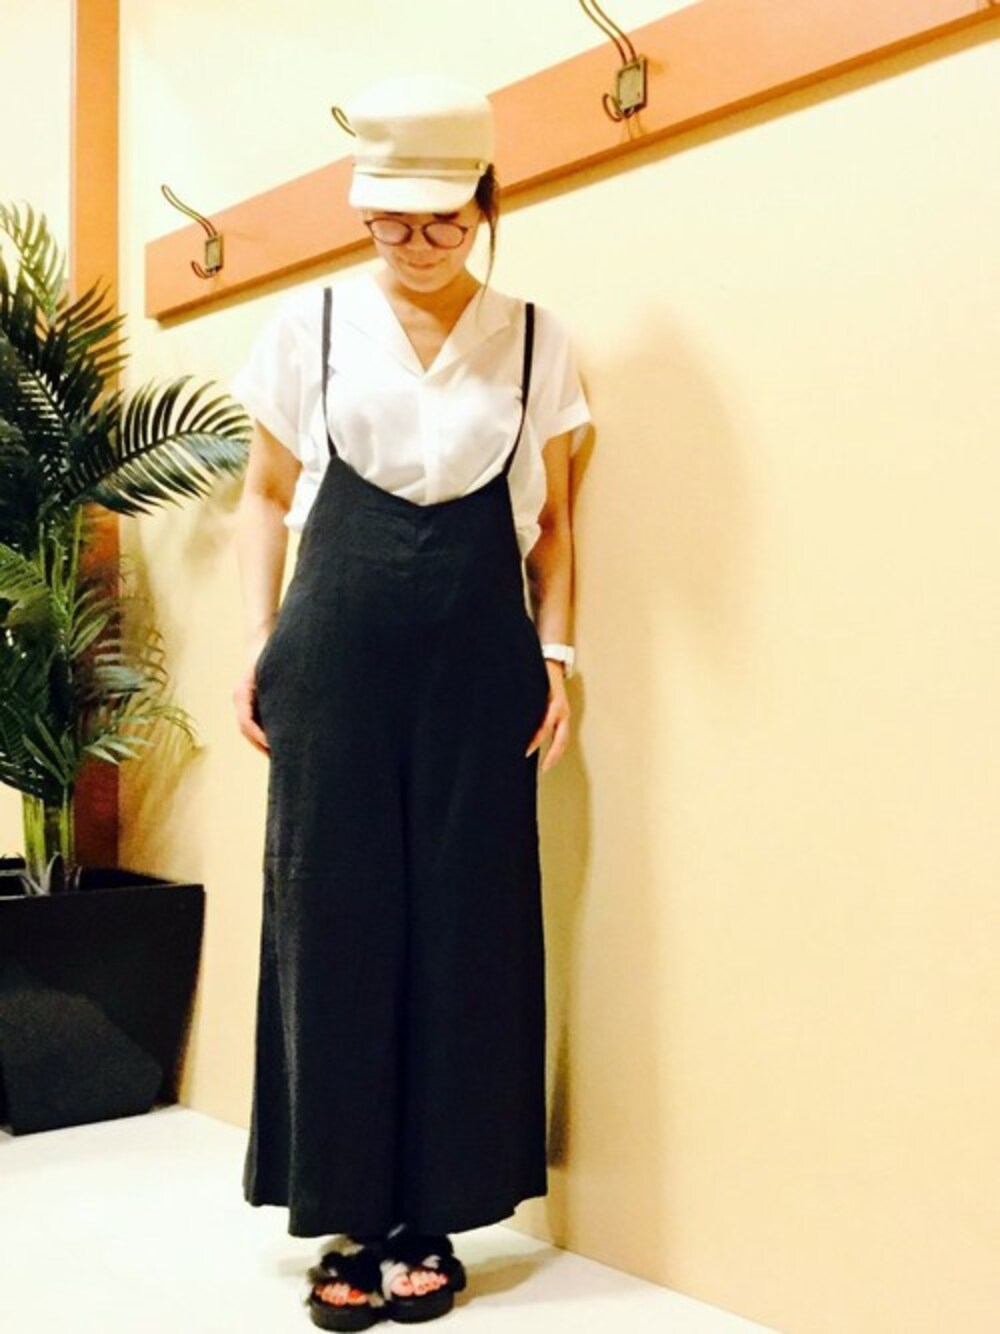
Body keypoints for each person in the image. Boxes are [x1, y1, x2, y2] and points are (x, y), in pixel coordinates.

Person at [231, 72, 591, 1329]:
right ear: (361, 210)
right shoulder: (312, 325)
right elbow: (262, 495)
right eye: (391, 218)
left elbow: (555, 527)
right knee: (329, 912)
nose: (417, 242)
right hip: (331, 644)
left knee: (468, 920)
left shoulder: (537, 337)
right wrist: (257, 638)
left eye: (442, 219)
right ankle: (345, 1213)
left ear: (484, 207)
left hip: (483, 655)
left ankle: (435, 1213)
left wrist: (559, 658)